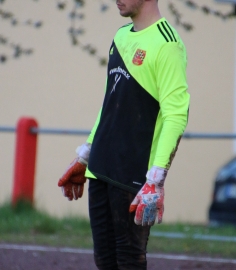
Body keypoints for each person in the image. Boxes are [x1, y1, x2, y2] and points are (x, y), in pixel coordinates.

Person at [57, 0, 190, 268]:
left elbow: (176, 115)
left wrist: (156, 179)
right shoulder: (120, 36)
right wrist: (86, 156)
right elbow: (110, 103)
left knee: (129, 261)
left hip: (134, 175)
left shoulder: (168, 43)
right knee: (104, 261)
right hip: (101, 168)